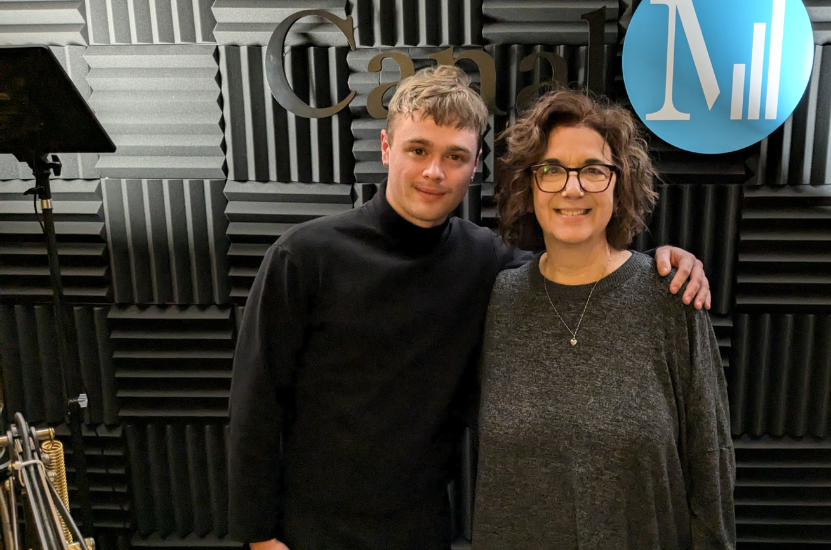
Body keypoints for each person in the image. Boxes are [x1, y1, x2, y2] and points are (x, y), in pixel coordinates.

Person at [228, 66, 711, 550]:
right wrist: (259, 535)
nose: (434, 172)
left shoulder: (486, 260)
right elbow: (256, 401)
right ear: (386, 148)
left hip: (422, 530)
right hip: (309, 532)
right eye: (418, 150)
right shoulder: (306, 255)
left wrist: (663, 262)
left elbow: (579, 266)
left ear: (475, 164)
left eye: (454, 156)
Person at [472, 89, 735, 549]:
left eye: (593, 170)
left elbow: (710, 461)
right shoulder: (500, 302)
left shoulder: (670, 297)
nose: (572, 188)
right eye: (551, 170)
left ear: (620, 183)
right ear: (528, 185)